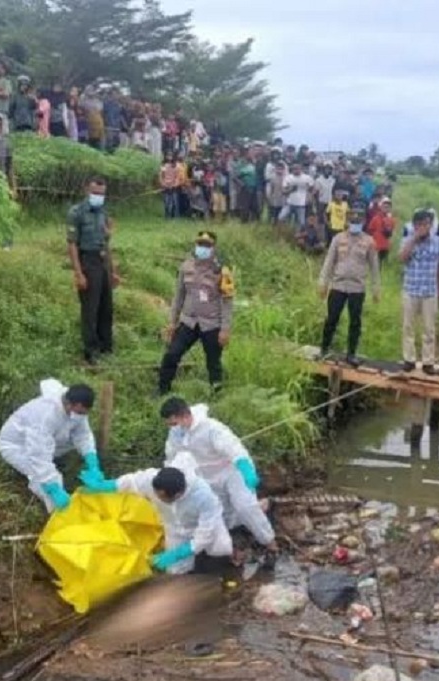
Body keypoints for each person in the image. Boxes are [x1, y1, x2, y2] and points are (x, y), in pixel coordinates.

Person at [159, 397, 278, 556]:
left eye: (174, 423)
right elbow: (172, 456)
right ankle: (262, 506)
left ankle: (270, 542)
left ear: (184, 415)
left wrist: (245, 468)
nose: (172, 428)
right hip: (206, 475)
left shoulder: (212, 428)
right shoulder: (176, 433)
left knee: (245, 507)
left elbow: (233, 448)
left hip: (231, 471)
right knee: (221, 514)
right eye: (169, 424)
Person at [80, 454, 233, 574]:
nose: (158, 499)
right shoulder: (152, 479)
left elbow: (205, 534)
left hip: (201, 526)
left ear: (179, 494)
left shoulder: (204, 497)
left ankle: (227, 555)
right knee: (175, 570)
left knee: (221, 548)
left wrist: (181, 552)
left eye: (163, 498)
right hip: (174, 528)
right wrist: (105, 485)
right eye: (157, 495)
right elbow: (131, 481)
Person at [0, 379, 98, 513]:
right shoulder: (44, 415)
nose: (81, 416)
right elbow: (39, 455)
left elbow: (82, 434)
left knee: (69, 447)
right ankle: (58, 513)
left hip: (48, 440)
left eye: (84, 413)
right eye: (79, 413)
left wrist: (92, 459)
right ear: (68, 404)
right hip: (17, 446)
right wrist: (53, 486)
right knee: (45, 478)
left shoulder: (77, 408)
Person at [159, 231, 236, 395]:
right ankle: (162, 389)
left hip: (211, 324)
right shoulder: (186, 267)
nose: (203, 248)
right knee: (172, 354)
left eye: (207, 245)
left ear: (214, 248)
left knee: (213, 362)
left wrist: (225, 329)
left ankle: (217, 393)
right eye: (200, 244)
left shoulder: (223, 271)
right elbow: (179, 296)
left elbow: (227, 302)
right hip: (189, 321)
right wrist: (172, 322)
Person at [317, 205, 380, 366]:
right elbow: (329, 261)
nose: (355, 221)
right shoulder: (338, 239)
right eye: (352, 219)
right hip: (337, 285)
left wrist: (376, 288)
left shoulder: (369, 241)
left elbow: (374, 266)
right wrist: (323, 282)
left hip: (357, 288)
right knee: (331, 318)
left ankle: (351, 354)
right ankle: (324, 349)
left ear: (364, 221)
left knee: (355, 322)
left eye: (358, 219)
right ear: (347, 220)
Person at [67, 177, 118, 364]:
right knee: (90, 309)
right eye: (95, 193)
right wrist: (78, 273)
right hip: (87, 261)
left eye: (102, 194)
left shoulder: (103, 213)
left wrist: (112, 271)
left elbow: (107, 243)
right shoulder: (76, 213)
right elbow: (72, 245)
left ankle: (106, 347)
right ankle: (90, 351)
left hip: (103, 261)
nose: (98, 197)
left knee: (107, 308)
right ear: (86, 190)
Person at [400, 208, 439, 374]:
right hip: (410, 290)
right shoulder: (407, 240)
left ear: (431, 224)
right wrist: (414, 239)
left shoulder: (438, 241)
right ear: (414, 225)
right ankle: (409, 359)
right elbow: (402, 259)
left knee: (429, 329)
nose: (424, 227)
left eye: (427, 224)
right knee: (408, 327)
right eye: (420, 224)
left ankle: (428, 362)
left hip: (429, 291)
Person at [282, 163, 313, 234]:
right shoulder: (288, 178)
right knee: (281, 217)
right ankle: (284, 233)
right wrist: (290, 190)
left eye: (298, 168)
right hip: (289, 203)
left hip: (301, 204)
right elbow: (283, 191)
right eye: (294, 169)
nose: (296, 170)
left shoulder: (307, 178)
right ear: (292, 170)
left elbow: (312, 189)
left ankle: (297, 236)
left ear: (301, 169)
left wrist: (309, 197)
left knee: (301, 222)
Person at [365, 196, 395, 266]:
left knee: (384, 265)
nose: (386, 209)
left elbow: (391, 232)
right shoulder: (375, 218)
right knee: (376, 265)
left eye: (388, 207)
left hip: (386, 246)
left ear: (390, 209)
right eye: (384, 207)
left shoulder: (391, 220)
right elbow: (369, 230)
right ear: (381, 208)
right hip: (376, 246)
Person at [159, 154, 183, 219]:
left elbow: (178, 177)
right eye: (168, 156)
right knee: (166, 203)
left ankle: (176, 217)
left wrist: (174, 185)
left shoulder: (177, 167)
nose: (169, 157)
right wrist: (163, 184)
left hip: (174, 187)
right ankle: (167, 216)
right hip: (165, 187)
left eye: (170, 156)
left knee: (175, 203)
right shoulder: (164, 166)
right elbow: (161, 176)